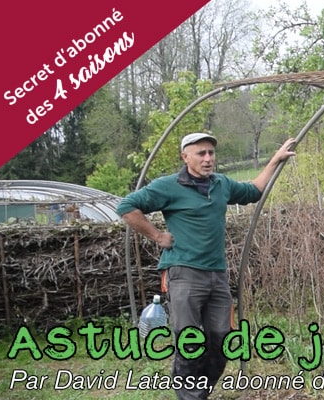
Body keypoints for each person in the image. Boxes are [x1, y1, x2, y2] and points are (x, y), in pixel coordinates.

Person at [117, 133, 296, 400]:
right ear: (185, 156)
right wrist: (157, 236)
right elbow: (127, 206)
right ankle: (190, 395)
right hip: (184, 272)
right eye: (201, 153)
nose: (208, 158)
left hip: (217, 274)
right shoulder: (168, 187)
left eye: (211, 153)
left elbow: (253, 191)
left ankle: (199, 390)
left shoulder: (221, 184)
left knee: (222, 339)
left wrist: (274, 160)